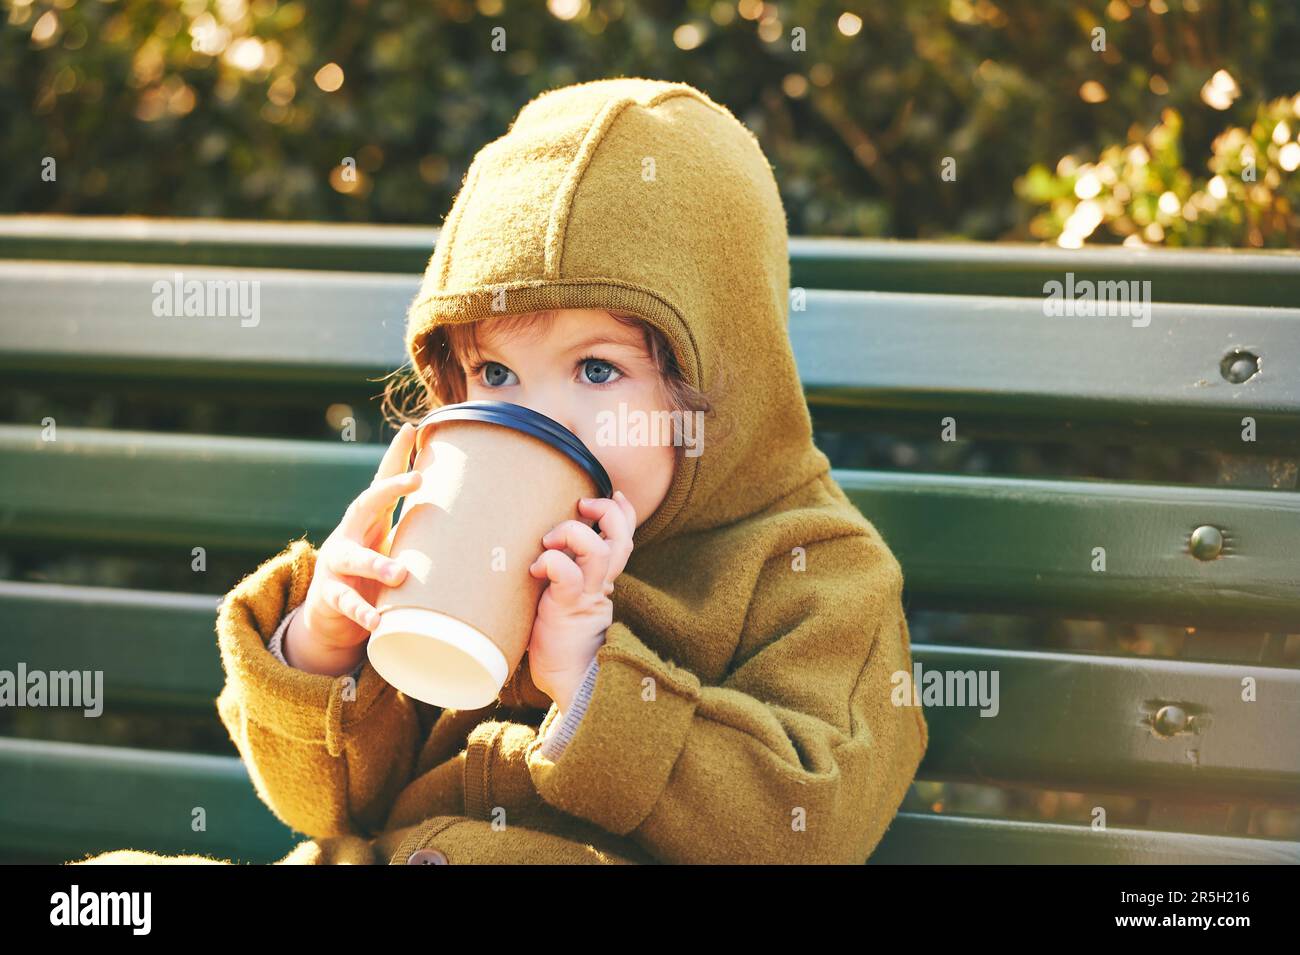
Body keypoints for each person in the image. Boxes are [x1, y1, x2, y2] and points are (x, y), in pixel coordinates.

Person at [70, 76, 927, 865]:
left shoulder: (815, 572)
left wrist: (591, 682)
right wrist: (325, 650)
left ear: (724, 374)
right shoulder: (466, 534)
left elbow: (811, 824)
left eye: (596, 370)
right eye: (495, 374)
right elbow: (324, 808)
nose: (532, 418)